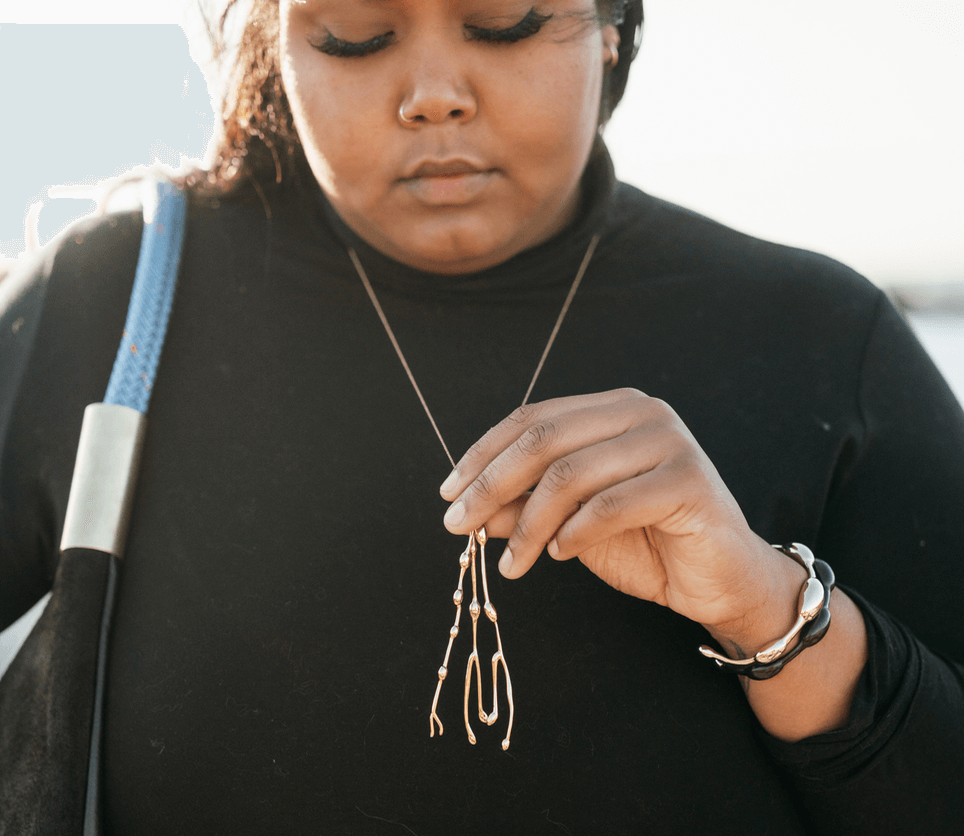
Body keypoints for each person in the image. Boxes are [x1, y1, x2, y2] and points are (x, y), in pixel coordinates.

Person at [1, 1, 962, 832]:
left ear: (614, 30)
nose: (432, 93)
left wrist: (764, 606)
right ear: (273, 45)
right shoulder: (111, 304)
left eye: (505, 23)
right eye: (354, 36)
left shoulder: (820, 339)